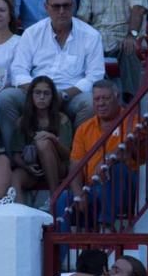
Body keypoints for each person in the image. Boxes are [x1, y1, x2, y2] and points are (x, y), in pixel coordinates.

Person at [1, 0, 105, 146]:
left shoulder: (91, 35)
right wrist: (40, 92)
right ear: (46, 7)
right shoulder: (32, 33)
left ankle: (77, 156)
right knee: (5, 98)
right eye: (56, 6)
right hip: (34, 92)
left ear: (74, 5)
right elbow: (18, 70)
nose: (62, 11)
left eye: (66, 6)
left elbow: (95, 76)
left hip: (70, 95)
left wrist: (63, 94)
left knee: (90, 103)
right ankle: (14, 154)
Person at [54, 80, 140, 232]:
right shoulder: (84, 128)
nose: (101, 103)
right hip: (93, 190)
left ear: (117, 97)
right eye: (97, 99)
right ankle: (61, 251)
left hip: (124, 189)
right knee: (63, 198)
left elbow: (128, 145)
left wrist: (109, 160)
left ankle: (106, 226)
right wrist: (79, 193)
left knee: (116, 169)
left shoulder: (131, 120)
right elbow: (75, 166)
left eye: (106, 98)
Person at [9, 76, 73, 202]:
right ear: (31, 96)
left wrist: (53, 139)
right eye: (37, 93)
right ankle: (19, 211)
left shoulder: (62, 119)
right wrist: (27, 167)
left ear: (52, 97)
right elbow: (16, 154)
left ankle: (54, 198)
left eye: (46, 93)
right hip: (34, 168)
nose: (42, 97)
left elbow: (68, 155)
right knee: (16, 176)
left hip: (57, 166)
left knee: (43, 143)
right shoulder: (23, 121)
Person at [78, 0, 148, 98]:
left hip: (124, 36)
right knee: (81, 50)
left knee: (130, 48)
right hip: (97, 39)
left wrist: (131, 35)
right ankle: (94, 96)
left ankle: (131, 100)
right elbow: (82, 18)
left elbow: (138, 10)